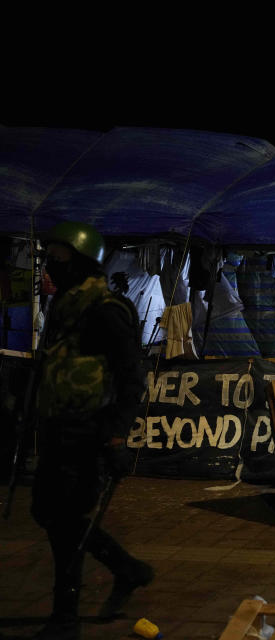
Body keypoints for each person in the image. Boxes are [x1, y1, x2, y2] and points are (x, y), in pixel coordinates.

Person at [30, 222, 152, 639]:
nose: (51, 267)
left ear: (81, 263)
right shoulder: (65, 308)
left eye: (59, 259)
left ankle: (65, 617)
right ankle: (127, 568)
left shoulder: (104, 310)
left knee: (67, 523)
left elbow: (132, 378)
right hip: (56, 428)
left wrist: (117, 436)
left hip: (88, 432)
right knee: (49, 513)